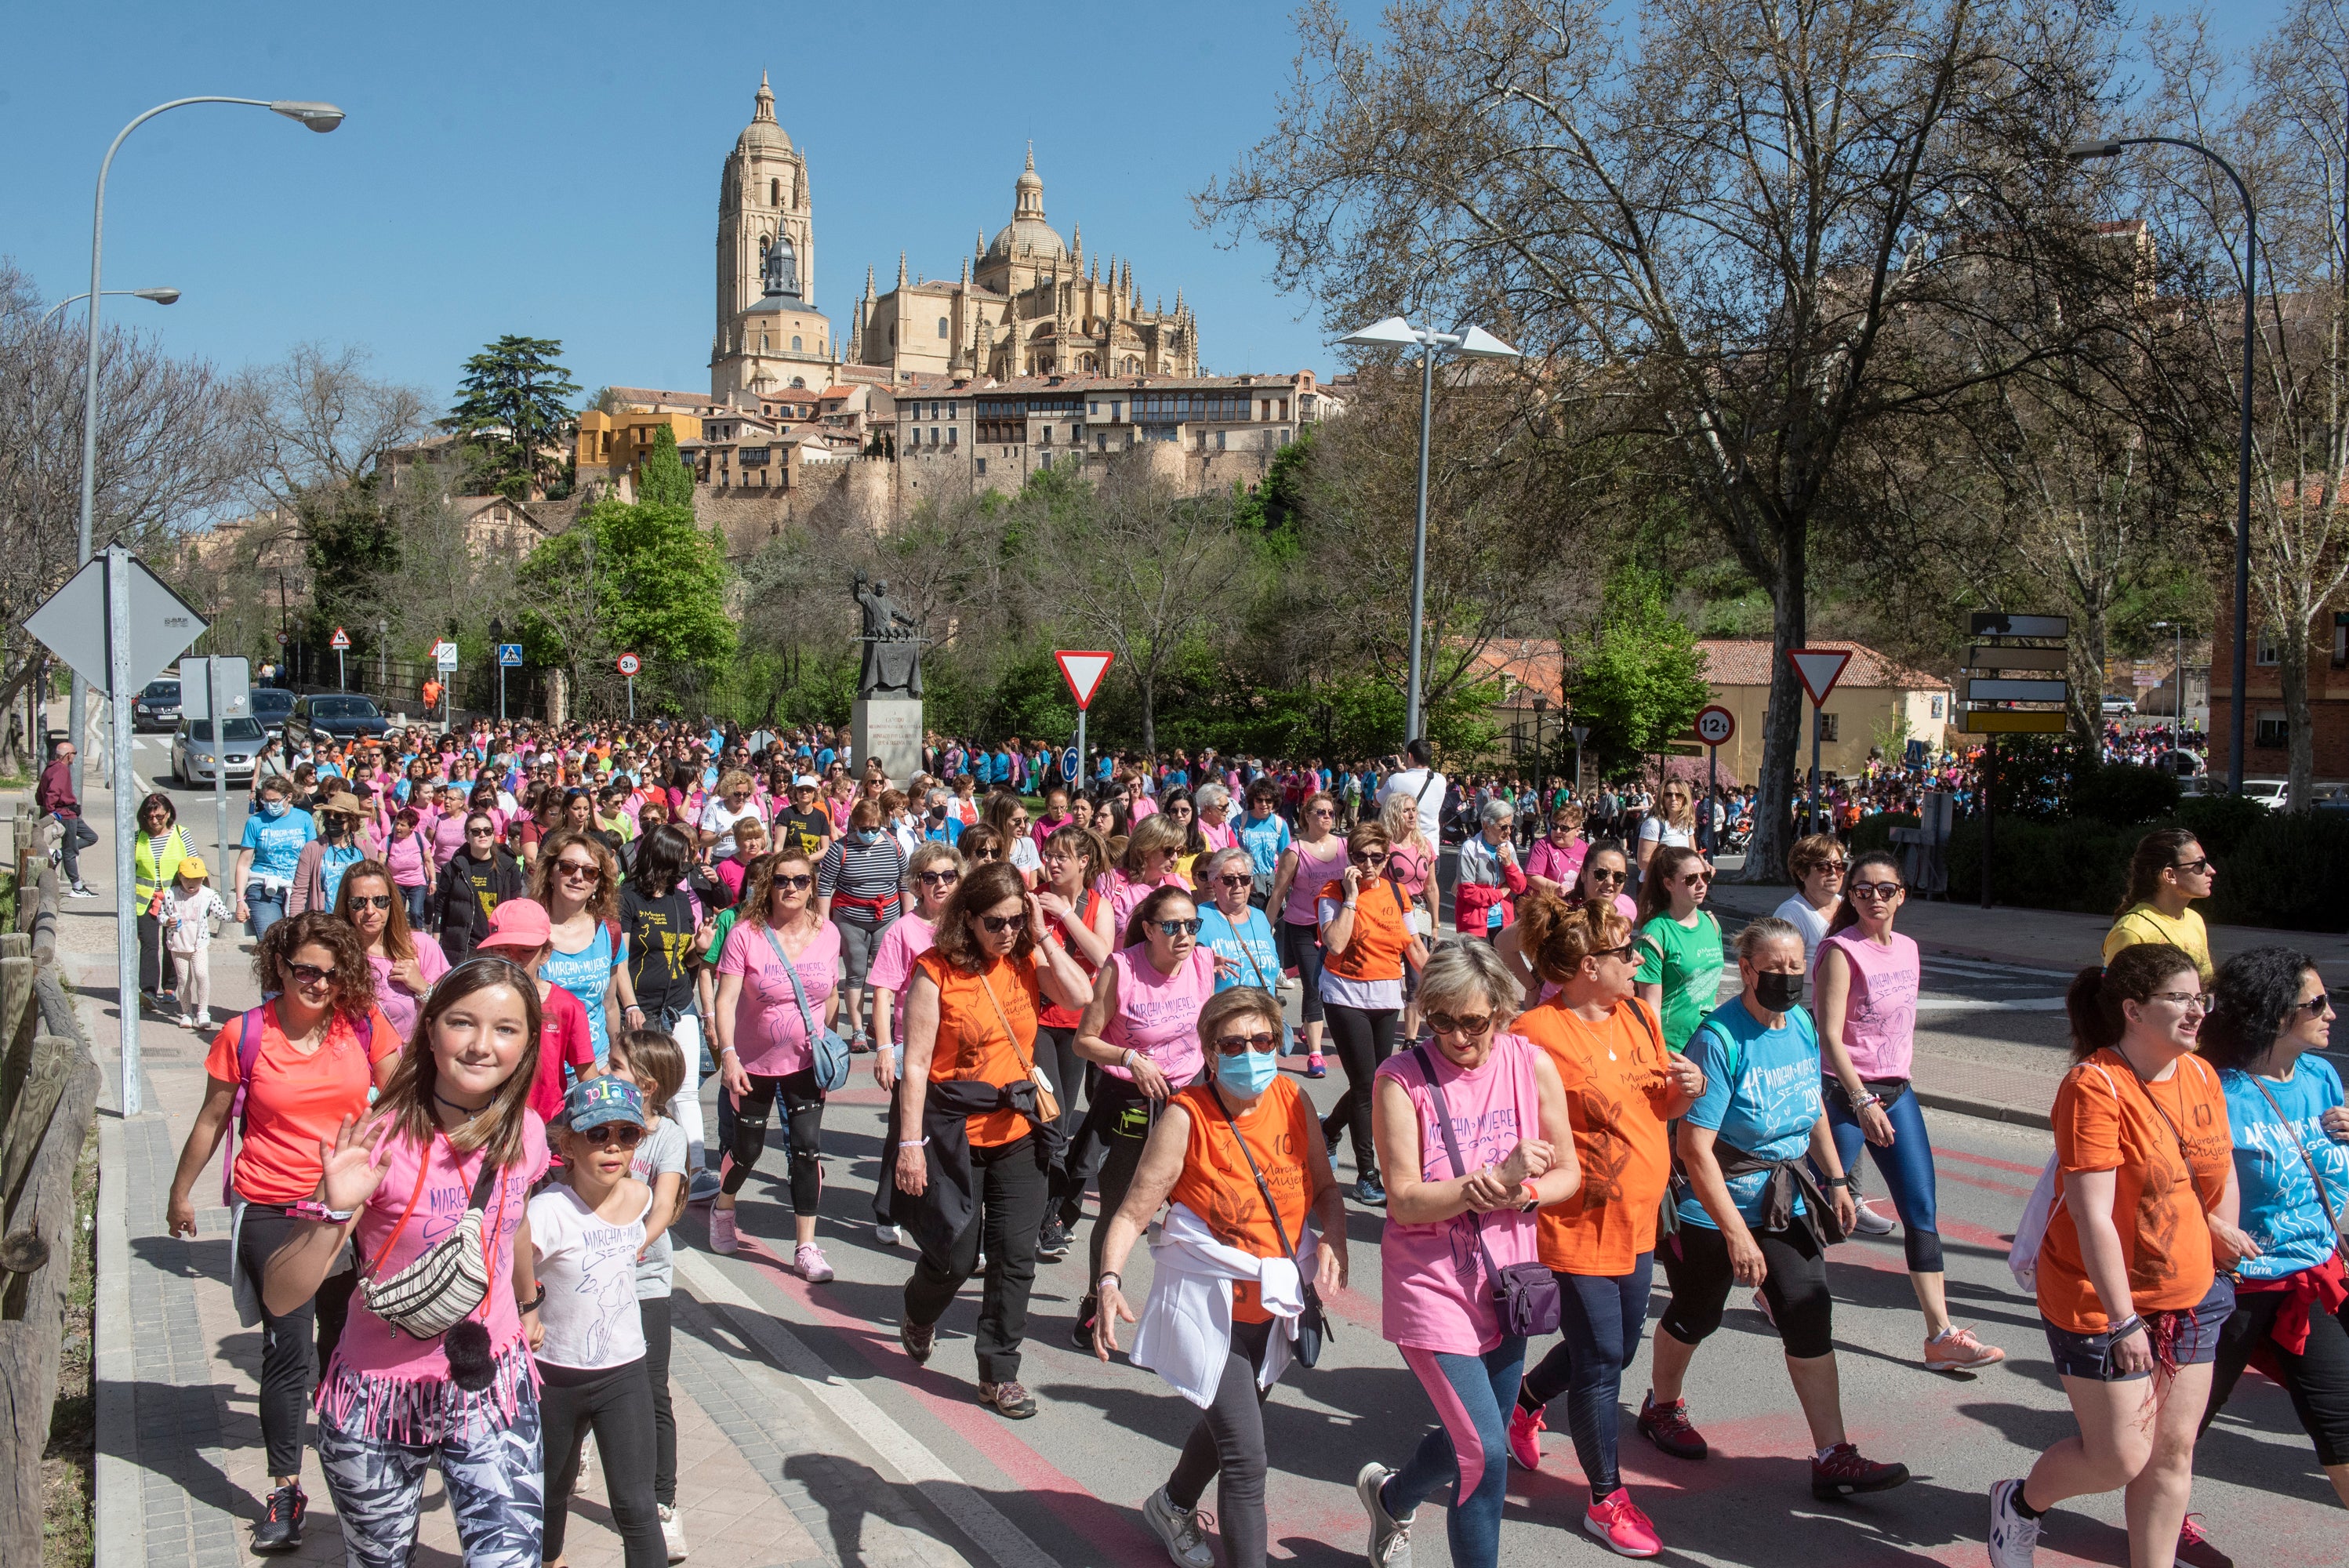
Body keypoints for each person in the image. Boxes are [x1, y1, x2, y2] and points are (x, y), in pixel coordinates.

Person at [263, 956, 550, 1568]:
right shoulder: (379, 1139)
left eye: (505, 1029)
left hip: (491, 1385)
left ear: (527, 1045)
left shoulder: (527, 1132)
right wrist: (333, 1210)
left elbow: (512, 1220)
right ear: (430, 1029)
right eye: (462, 1022)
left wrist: (528, 1303)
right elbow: (281, 1295)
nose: (481, 1045)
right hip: (378, 1396)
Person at [1988, 944, 2244, 1568]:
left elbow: (2219, 1172)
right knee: (2119, 1457)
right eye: (2179, 999)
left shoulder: (2201, 1075)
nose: (2197, 1012)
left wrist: (2223, 1243)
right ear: (2133, 1009)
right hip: (2100, 1300)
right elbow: (2091, 1214)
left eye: (2200, 999)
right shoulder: (2094, 1086)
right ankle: (2020, 1504)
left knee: (2172, 1454)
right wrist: (2124, 1319)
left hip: (2192, 1293)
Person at [1642, 916, 1908, 1501]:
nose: (1787, 977)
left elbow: (1811, 1107)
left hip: (1786, 1199)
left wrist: (1836, 1179)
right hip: (1715, 1205)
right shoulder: (1719, 1039)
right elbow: (1694, 1150)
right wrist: (1736, 1234)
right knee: (1697, 1313)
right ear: (1746, 970)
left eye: (1795, 966)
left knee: (1808, 1312)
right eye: (1774, 967)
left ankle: (1833, 1455)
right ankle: (1662, 1405)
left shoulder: (1803, 1025)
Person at [165, 913, 401, 1553]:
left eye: (331, 973)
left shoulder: (363, 1024)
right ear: (280, 965)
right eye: (305, 970)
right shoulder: (245, 1033)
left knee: (345, 1341)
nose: (318, 983)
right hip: (271, 1206)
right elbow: (212, 1119)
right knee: (288, 1347)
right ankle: (285, 1491)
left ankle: (358, 1470)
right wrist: (180, 1193)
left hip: (347, 1210)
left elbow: (404, 1096)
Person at [1089, 986, 1348, 1568]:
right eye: (1233, 1044)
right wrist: (1108, 1281)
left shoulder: (1293, 1098)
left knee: (1230, 1423)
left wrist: (1334, 1238)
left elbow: (1328, 1189)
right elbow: (1131, 1213)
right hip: (1211, 1311)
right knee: (1247, 1459)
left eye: (1262, 1040)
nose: (1250, 1053)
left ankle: (1172, 1503)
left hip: (1275, 1307)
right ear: (1209, 1053)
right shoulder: (1186, 1118)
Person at [1356, 942, 1581, 1568]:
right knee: (1484, 1453)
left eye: (1474, 1022)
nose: (1457, 1036)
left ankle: (1393, 1496)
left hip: (1508, 1285)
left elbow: (1569, 1174)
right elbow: (1405, 1200)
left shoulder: (1530, 1064)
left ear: (1502, 1011)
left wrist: (1526, 1192)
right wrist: (1493, 1180)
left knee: (1475, 1437)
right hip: (1430, 1287)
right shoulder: (1400, 1079)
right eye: (1441, 1020)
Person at [1506, 898, 1703, 1555]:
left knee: (1618, 1349)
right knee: (1599, 1363)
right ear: (1590, 966)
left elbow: (1660, 1104)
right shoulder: (1536, 1032)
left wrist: (1689, 1089)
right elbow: (1509, 1122)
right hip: (1576, 1223)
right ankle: (1605, 1500)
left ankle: (1525, 1401)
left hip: (1639, 1219)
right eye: (1627, 952)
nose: (1639, 961)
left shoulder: (1641, 1015)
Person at [891, 862, 1094, 1418]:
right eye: (995, 923)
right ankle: (918, 1312)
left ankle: (998, 1374)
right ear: (968, 919)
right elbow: (915, 1065)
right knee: (954, 1259)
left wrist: (1043, 932)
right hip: (953, 1132)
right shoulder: (934, 971)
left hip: (1019, 1131)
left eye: (1015, 920)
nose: (1007, 932)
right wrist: (909, 1146)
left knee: (1015, 1257)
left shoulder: (1026, 958)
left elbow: (1080, 996)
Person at [1816, 851, 2003, 1363]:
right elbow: (1829, 1035)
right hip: (1844, 1095)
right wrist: (1861, 1099)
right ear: (1851, 896)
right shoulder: (1841, 951)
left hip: (1897, 1094)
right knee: (1823, 1212)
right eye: (1863, 890)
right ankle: (1776, 1288)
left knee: (1921, 1211)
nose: (1874, 898)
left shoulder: (1909, 949)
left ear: (1901, 895)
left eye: (1885, 889)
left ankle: (1940, 1336)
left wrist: (1883, 1094)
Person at [2197, 947, 2349, 1519]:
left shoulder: (2321, 1078)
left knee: (2341, 1423)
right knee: (2178, 1427)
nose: (2331, 1012)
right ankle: (2029, 1503)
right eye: (2317, 1003)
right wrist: (2211, 1223)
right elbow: (2162, 1184)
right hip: (2233, 1289)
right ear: (2275, 1013)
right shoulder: (2217, 1091)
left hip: (2311, 1278)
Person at [1069, 884, 1221, 1345]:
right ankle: (1097, 1299)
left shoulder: (1203, 961)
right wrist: (1131, 1058)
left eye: (1192, 925)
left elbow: (1205, 1033)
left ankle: (1189, 1315)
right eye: (1172, 926)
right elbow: (1083, 1042)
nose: (1184, 935)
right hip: (1132, 1101)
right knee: (1121, 1208)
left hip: (1189, 1098)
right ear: (1149, 929)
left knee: (1197, 1210)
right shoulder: (1121, 968)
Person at [532, 1074, 663, 1568]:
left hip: (624, 1374)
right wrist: (526, 1310)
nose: (613, 1147)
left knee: (636, 1506)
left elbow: (666, 1203)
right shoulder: (547, 1211)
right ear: (567, 1144)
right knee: (550, 1492)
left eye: (627, 1134)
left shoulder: (640, 1197)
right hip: (554, 1375)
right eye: (597, 1134)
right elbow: (505, 1274)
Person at [711, 847, 840, 1278]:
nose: (791, 888)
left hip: (806, 1064)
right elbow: (726, 1000)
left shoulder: (828, 933)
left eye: (801, 880)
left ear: (812, 886)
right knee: (747, 1151)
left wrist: (828, 1044)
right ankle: (724, 1208)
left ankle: (806, 1246)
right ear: (769, 885)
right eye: (782, 880)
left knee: (806, 1149)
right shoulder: (745, 934)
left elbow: (831, 993)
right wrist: (729, 1055)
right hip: (752, 1063)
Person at [606, 1030, 692, 1559]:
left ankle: (663, 1503)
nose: (603, 1069)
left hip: (645, 1281)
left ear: (646, 1084)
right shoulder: (596, 1121)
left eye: (615, 1065)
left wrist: (634, 1244)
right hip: (588, 1280)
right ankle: (580, 1453)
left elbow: (663, 1205)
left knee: (652, 1390)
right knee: (580, 1381)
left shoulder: (667, 1136)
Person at [1316, 822, 1430, 1203]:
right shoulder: (1333, 892)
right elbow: (1335, 944)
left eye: (1376, 857)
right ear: (1350, 857)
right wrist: (1351, 898)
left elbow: (1414, 946)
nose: (1367, 864)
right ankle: (1367, 1174)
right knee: (1367, 1086)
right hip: (1344, 995)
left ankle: (1329, 1130)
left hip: (1386, 996)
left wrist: (1445, 987)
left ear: (1386, 859)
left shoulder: (1398, 893)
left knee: (1375, 1083)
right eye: (1360, 856)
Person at [867, 844, 968, 1243]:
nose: (940, 884)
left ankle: (946, 1213)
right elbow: (883, 991)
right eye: (930, 877)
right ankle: (887, 1209)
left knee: (951, 1132)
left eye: (948, 876)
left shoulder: (969, 925)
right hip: (911, 1044)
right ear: (917, 884)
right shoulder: (903, 930)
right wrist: (883, 1050)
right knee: (905, 1128)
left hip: (957, 1044)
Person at [1035, 825, 1116, 1261]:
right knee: (1048, 1120)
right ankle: (1038, 1215)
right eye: (1048, 854)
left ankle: (1053, 1213)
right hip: (1037, 1020)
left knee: (1064, 1120)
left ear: (1084, 862)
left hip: (1080, 1026)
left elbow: (1104, 958)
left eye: (1061, 856)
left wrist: (1066, 915)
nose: (1052, 862)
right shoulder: (1033, 899)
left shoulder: (1096, 905)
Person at [618, 823, 710, 1198]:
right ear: (663, 857)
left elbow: (685, 959)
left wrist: (700, 948)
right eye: (682, 857)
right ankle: (634, 1168)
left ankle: (697, 1171)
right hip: (642, 1009)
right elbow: (619, 961)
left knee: (685, 1091)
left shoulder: (680, 900)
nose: (688, 864)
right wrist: (630, 1004)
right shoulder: (627, 898)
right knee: (641, 1091)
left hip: (680, 1003)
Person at [475, 898, 602, 1130]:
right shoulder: (476, 1000)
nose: (513, 959)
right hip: (485, 1121)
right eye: (503, 949)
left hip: (546, 1126)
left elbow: (588, 1077)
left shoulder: (567, 1007)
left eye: (526, 951)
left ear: (546, 953)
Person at [533, 827, 638, 1065]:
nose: (578, 877)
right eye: (568, 867)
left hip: (596, 1062)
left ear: (598, 883)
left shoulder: (610, 932)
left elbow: (609, 1005)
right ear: (550, 873)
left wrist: (614, 1061)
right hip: (542, 1065)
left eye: (590, 872)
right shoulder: (531, 930)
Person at [1267, 793, 1348, 1076]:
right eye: (1320, 812)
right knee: (1314, 986)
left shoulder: (1344, 847)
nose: (1327, 817)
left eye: (1330, 812)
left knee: (1336, 985)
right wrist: (1264, 930)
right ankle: (1315, 1054)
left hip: (1338, 925)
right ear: (1307, 816)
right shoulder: (1295, 851)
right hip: (1304, 925)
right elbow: (1279, 893)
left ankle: (1308, 1027)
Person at [819, 797, 907, 1050]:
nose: (869, 833)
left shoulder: (893, 845)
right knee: (856, 973)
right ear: (855, 825)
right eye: (864, 828)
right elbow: (824, 888)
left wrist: (908, 919)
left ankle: (879, 1025)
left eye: (874, 828)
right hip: (851, 919)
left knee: (886, 977)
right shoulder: (840, 849)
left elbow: (905, 883)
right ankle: (858, 1029)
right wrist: (825, 925)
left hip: (887, 918)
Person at [337, 861, 452, 1044]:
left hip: (408, 1059)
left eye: (380, 901)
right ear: (346, 906)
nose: (370, 911)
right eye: (358, 902)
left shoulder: (421, 946)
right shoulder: (336, 956)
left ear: (392, 902)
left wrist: (422, 987)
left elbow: (451, 1012)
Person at [1632, 845, 1724, 1054]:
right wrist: (1659, 1055)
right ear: (1669, 884)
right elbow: (1650, 1008)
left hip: (1707, 1044)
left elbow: (1711, 993)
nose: (1701, 884)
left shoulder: (1712, 924)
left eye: (1705, 876)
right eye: (1690, 879)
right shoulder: (1655, 934)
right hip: (1672, 1050)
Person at [2103, 828, 2217, 985]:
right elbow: (2114, 995)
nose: (2211, 871)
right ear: (2170, 875)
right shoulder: (2132, 932)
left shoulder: (2194, 920)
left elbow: (2206, 985)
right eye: (2200, 864)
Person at [433, 812, 528, 961]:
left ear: (493, 835)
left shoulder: (509, 868)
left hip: (498, 946)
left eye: (487, 831)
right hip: (463, 947)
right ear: (467, 836)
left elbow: (515, 909)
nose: (482, 835)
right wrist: (436, 943)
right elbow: (440, 908)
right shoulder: (453, 869)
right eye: (476, 831)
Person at [158, 854, 233, 1031]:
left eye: (197, 879)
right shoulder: (171, 894)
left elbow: (222, 914)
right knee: (184, 979)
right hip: (178, 944)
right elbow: (161, 915)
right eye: (187, 879)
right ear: (180, 877)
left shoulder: (208, 895)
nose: (192, 883)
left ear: (203, 878)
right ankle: (187, 1013)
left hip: (199, 944)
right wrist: (167, 920)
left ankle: (203, 1011)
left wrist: (237, 917)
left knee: (201, 974)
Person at [133, 793, 192, 1008]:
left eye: (159, 816)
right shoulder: (137, 838)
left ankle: (170, 987)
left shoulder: (181, 834)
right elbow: (129, 870)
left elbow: (193, 865)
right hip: (146, 900)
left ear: (168, 814)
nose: (155, 821)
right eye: (149, 817)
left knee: (171, 944)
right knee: (149, 944)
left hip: (175, 900)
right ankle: (148, 991)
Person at [287, 791, 376, 916]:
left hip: (358, 918)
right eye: (328, 814)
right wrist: (294, 921)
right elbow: (299, 891)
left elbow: (376, 887)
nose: (332, 819)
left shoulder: (366, 849)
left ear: (351, 820)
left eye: (338, 816)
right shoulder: (312, 849)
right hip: (324, 920)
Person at [1454, 798, 1527, 939]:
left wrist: (1508, 864)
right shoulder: (1470, 848)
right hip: (1475, 923)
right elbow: (1467, 891)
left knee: (1504, 954)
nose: (1509, 832)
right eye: (1503, 827)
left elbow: (1520, 887)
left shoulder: (1508, 847)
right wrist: (1499, 893)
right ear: (1486, 826)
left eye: (1511, 826)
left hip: (1503, 920)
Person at [1773, 833, 1847, 971]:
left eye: (1839, 866)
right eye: (1823, 867)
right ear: (1801, 873)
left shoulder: (1851, 906)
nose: (1833, 872)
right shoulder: (1790, 915)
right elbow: (1781, 970)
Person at [37, 740, 100, 896]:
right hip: (65, 814)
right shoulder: (61, 770)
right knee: (70, 852)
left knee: (91, 837)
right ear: (67, 755)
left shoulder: (50, 769)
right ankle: (77, 887)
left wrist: (47, 808)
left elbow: (39, 794)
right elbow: (52, 792)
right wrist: (53, 812)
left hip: (70, 814)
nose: (75, 757)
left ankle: (58, 853)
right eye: (74, 753)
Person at [1375, 737, 1448, 848]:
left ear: (1410, 756)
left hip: (1405, 846)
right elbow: (1424, 775)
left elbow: (1376, 802)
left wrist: (1384, 775)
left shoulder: (1396, 780)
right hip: (1430, 846)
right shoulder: (1441, 780)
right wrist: (1403, 768)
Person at [1523, 805, 1588, 902]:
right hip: (1545, 905)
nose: (1557, 831)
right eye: (1554, 826)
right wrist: (1557, 888)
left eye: (1564, 828)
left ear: (1577, 831)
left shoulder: (1587, 849)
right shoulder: (1542, 846)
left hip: (1575, 905)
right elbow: (1531, 878)